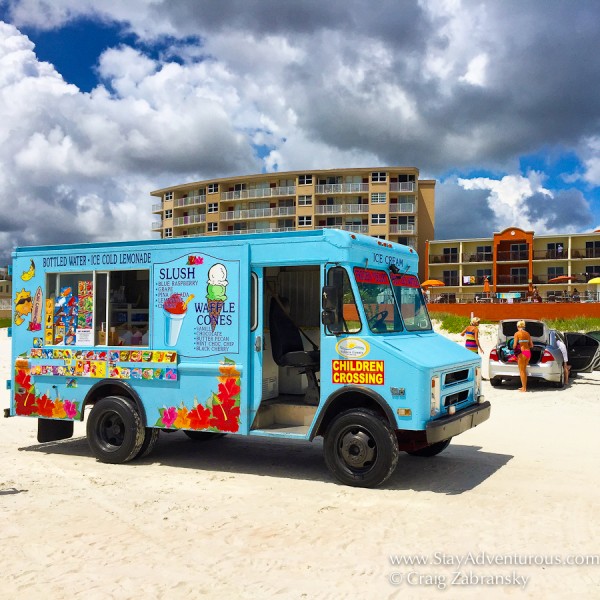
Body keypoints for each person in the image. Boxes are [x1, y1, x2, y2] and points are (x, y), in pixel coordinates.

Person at [514, 320, 532, 392]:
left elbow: (514, 345)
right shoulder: (527, 334)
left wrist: (514, 348)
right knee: (524, 370)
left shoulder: (517, 334)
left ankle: (524, 388)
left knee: (522, 371)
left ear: (518, 326)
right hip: (528, 352)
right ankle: (523, 386)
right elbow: (531, 345)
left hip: (522, 353)